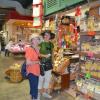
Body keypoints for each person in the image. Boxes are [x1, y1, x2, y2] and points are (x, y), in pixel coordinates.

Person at [38, 30, 55, 99]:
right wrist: (44, 56)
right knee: (41, 79)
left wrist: (53, 62)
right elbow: (37, 54)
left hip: (49, 64)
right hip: (41, 63)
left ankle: (44, 93)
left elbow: (53, 54)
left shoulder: (51, 44)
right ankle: (38, 94)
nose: (46, 36)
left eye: (47, 35)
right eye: (45, 35)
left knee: (47, 79)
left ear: (50, 36)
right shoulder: (40, 44)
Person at [25, 33, 40, 100]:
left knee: (33, 87)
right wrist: (37, 62)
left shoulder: (36, 49)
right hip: (32, 72)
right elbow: (28, 62)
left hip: (36, 71)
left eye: (38, 39)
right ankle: (34, 98)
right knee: (35, 87)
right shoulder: (29, 49)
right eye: (35, 39)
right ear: (31, 41)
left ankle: (32, 97)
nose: (37, 41)